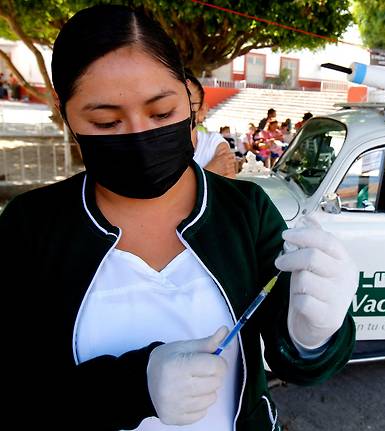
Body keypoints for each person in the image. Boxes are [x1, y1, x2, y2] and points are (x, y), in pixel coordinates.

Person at [0, 5, 357, 430]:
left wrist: (312, 336)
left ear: (189, 98)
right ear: (64, 112)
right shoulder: (31, 226)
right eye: (106, 121)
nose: (138, 135)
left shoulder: (246, 212)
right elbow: (15, 392)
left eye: (162, 112)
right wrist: (134, 386)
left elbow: (301, 366)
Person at [186, 70, 236, 178]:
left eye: (189, 104)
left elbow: (227, 191)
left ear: (203, 109)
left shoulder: (214, 144)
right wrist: (212, 170)